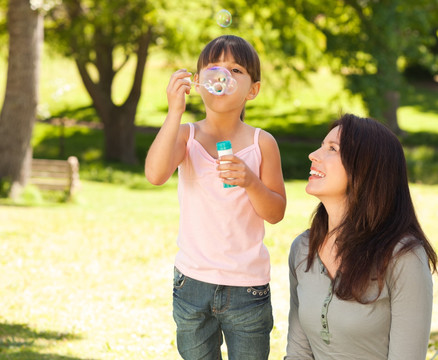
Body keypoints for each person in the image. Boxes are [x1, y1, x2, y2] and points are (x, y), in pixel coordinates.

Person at [145, 35, 286, 360]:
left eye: (236, 70)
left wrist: (251, 182)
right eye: (214, 69)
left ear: (253, 89)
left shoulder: (261, 143)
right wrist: (174, 111)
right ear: (198, 82)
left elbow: (276, 212)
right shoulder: (186, 136)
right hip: (192, 283)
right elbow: (155, 175)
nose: (222, 77)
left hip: (246, 286)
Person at [284, 113, 437, 360]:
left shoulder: (403, 257)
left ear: (366, 169)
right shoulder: (303, 249)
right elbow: (298, 352)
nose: (313, 155)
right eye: (321, 146)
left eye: (332, 149)